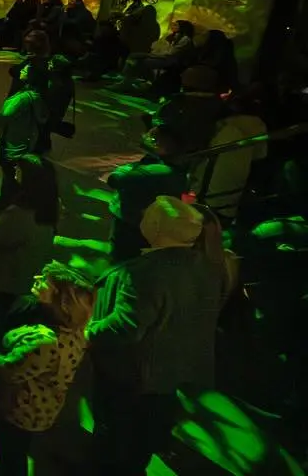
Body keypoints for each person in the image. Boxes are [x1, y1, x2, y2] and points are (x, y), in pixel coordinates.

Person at [89, 196, 224, 475]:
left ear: (155, 227)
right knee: (143, 439)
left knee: (117, 441)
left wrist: (86, 331)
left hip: (136, 377)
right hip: (171, 372)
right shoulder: (207, 266)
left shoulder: (145, 274)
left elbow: (124, 328)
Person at [0, 263, 96, 476]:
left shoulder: (45, 342)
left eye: (46, 281)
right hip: (41, 407)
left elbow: (6, 370)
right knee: (18, 448)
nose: (37, 278)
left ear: (61, 300)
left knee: (11, 454)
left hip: (18, 410)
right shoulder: (75, 328)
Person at [0, 155, 59, 313]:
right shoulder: (49, 206)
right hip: (32, 279)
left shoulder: (19, 213)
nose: (15, 171)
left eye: (19, 169)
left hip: (8, 283)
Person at [105, 127, 191, 261]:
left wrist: (127, 169)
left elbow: (116, 179)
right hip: (151, 225)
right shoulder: (172, 171)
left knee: (124, 260)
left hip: (133, 226)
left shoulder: (163, 172)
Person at [0, 83, 46, 203]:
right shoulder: (36, 97)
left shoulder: (20, 99)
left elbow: (5, 115)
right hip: (27, 138)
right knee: (20, 166)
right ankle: (21, 193)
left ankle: (6, 198)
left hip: (13, 140)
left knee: (8, 167)